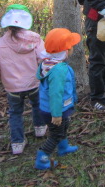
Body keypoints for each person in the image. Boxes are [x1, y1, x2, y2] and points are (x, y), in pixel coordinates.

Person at [0, 4, 48, 155]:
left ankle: (17, 143)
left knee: (15, 113)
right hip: (34, 82)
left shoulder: (0, 43)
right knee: (37, 104)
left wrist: (3, 77)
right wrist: (42, 75)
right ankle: (40, 129)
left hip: (12, 86)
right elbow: (43, 58)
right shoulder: (35, 39)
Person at [34, 28, 81, 170]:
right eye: (70, 47)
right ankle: (42, 158)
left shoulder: (48, 63)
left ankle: (64, 147)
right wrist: (56, 114)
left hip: (54, 107)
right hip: (54, 109)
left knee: (64, 125)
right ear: (65, 51)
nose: (72, 49)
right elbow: (55, 93)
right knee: (56, 134)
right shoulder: (58, 70)